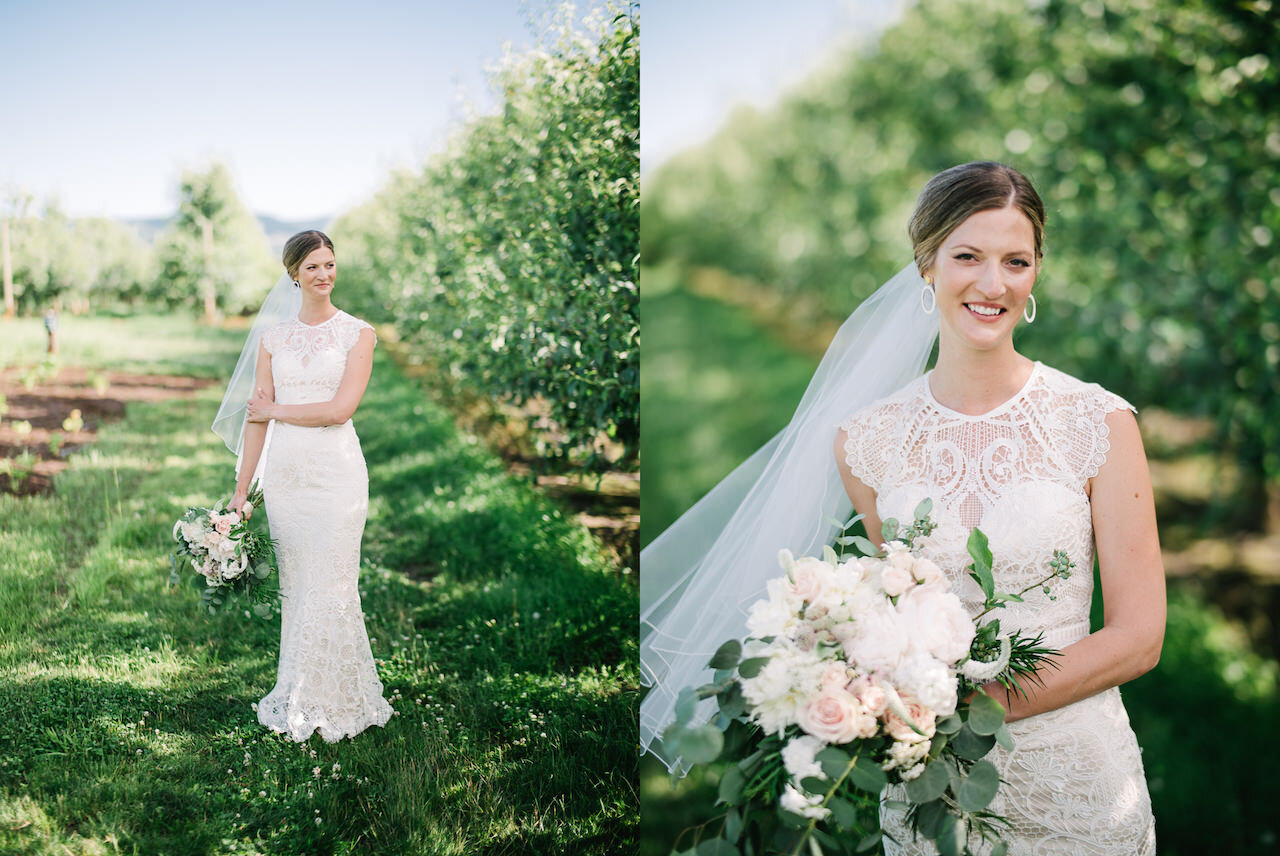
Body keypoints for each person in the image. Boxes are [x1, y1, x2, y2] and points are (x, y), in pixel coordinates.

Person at [640, 162, 1163, 854]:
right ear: (926, 266)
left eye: (1016, 261)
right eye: (967, 257)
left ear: (1036, 273)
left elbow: (1139, 636)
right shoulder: (868, 443)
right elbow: (893, 609)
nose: (992, 283)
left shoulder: (1097, 421)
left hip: (1081, 789)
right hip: (931, 801)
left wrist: (968, 712)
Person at [213, 229, 393, 742]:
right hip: (288, 476)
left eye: (330, 264)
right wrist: (241, 492)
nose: (323, 274)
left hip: (336, 473)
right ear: (294, 273)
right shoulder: (273, 339)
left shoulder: (359, 334)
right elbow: (255, 420)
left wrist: (277, 410)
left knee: (334, 582)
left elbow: (340, 410)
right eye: (312, 266)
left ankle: (343, 696)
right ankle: (300, 692)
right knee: (299, 587)